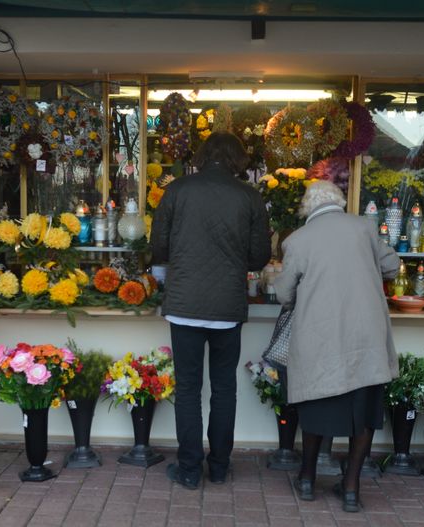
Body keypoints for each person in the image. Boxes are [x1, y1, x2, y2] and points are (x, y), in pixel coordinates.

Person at [151, 132, 272, 489]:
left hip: (184, 303)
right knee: (224, 389)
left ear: (202, 156)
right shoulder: (249, 195)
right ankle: (219, 466)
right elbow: (260, 256)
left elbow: (159, 246)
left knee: (188, 389)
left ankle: (190, 469)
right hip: (227, 306)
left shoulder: (177, 190)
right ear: (238, 160)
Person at [273, 180, 399, 513]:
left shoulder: (297, 240)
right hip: (365, 338)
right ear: (340, 202)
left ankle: (306, 478)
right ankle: (351, 489)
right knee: (364, 413)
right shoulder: (364, 228)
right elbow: (392, 266)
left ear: (307, 208)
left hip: (321, 339)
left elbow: (284, 295)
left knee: (316, 407)